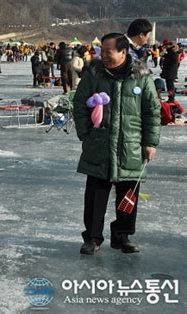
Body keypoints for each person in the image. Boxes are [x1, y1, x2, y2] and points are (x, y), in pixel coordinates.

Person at [73, 33, 160, 255]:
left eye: (108, 52)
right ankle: (92, 238)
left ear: (123, 52)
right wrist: (85, 133)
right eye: (102, 51)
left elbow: (152, 111)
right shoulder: (94, 74)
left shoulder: (141, 76)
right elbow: (80, 103)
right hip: (99, 145)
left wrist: (150, 142)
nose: (104, 56)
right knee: (95, 198)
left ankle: (122, 236)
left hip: (130, 146)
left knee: (128, 199)